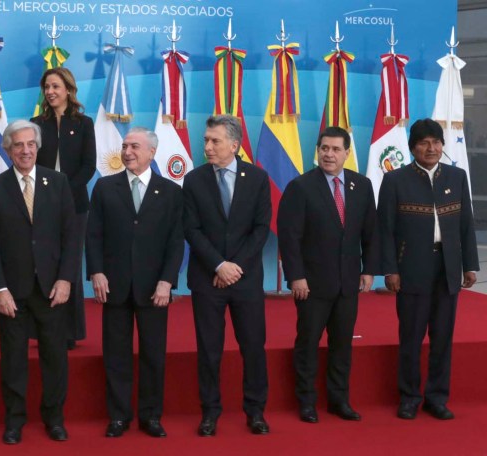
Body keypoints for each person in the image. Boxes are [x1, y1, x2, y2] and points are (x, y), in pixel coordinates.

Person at [0, 120, 78, 444]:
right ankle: (14, 421)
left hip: (52, 289)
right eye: (18, 145)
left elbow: (70, 237)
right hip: (12, 292)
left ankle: (54, 419)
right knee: (13, 360)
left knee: (55, 359)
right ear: (8, 149)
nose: (25, 150)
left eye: (30, 144)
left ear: (38, 147)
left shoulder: (59, 182)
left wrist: (65, 280)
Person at [378, 118, 479, 420]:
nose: (431, 148)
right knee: (411, 337)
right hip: (411, 269)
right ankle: (409, 397)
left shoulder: (457, 177)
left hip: (447, 269)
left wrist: (470, 265)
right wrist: (390, 269)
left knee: (442, 337)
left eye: (436, 142)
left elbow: (466, 225)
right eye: (423, 143)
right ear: (413, 148)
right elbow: (385, 230)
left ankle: (436, 398)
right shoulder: (395, 180)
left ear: (442, 146)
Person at [86, 127, 184, 438]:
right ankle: (118, 416)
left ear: (152, 153)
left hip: (154, 288)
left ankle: (151, 416)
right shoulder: (104, 187)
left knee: (154, 355)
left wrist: (167, 281)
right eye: (125, 146)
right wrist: (96, 272)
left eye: (135, 147)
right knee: (116, 355)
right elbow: (93, 234)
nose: (127, 152)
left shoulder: (170, 192)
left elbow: (175, 242)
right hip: (114, 285)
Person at [277, 126, 379, 424]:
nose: (329, 154)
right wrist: (295, 277)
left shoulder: (362, 185)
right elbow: (290, 237)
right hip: (311, 284)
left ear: (347, 153)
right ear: (317, 151)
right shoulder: (301, 187)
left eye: (335, 149)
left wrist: (369, 270)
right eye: (324, 148)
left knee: (342, 344)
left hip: (348, 282)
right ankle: (306, 402)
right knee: (308, 343)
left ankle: (339, 401)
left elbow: (370, 233)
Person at [183, 115, 272, 436]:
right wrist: (219, 265)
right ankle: (209, 412)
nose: (207, 146)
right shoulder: (193, 180)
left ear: (234, 145)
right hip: (208, 278)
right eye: (206, 140)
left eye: (214, 141)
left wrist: (234, 267)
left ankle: (256, 411)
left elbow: (261, 229)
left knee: (253, 346)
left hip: (245, 279)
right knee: (209, 349)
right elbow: (191, 229)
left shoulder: (258, 179)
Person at [31, 67, 96, 349]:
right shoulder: (36, 123)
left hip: (74, 206)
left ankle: (69, 331)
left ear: (68, 89)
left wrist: (63, 194)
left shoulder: (84, 124)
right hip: (41, 205)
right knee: (43, 263)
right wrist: (48, 195)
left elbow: (88, 166)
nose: (50, 92)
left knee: (69, 263)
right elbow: (30, 163)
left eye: (55, 86)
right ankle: (43, 329)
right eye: (47, 87)